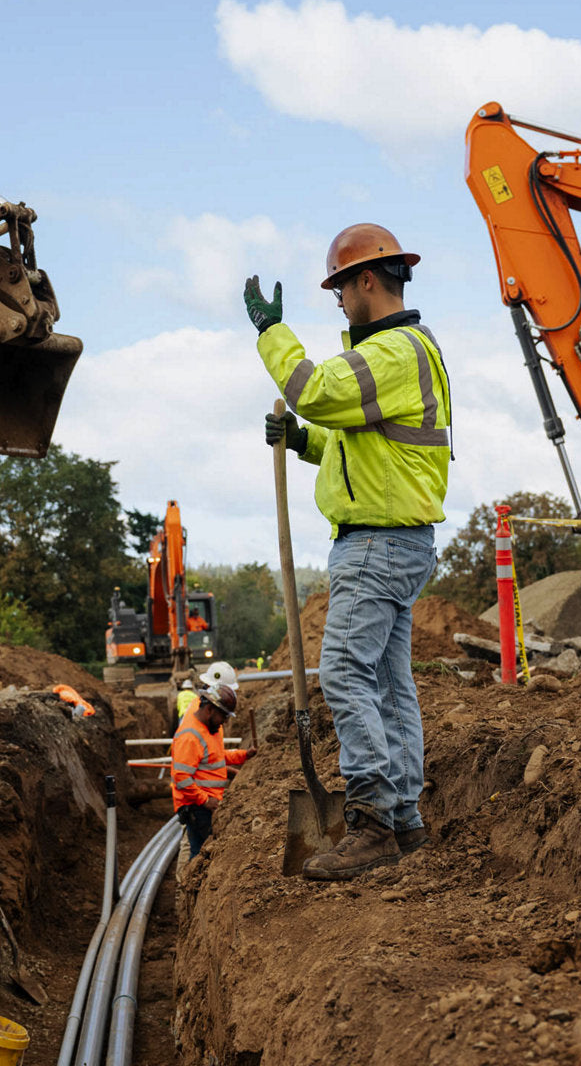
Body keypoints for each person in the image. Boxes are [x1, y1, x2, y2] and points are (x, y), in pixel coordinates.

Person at [244, 222, 451, 882]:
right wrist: (301, 442)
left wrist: (270, 335)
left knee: (344, 674)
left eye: (339, 287)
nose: (335, 300)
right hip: (396, 541)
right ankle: (405, 818)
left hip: (376, 544)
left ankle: (370, 821)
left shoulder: (392, 351)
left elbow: (315, 389)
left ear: (368, 281)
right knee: (390, 687)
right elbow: (352, 443)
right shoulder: (405, 352)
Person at [171, 684, 257, 857]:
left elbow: (216, 756)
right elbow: (181, 778)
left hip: (208, 803)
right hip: (197, 806)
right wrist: (204, 800)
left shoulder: (210, 730)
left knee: (204, 851)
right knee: (202, 854)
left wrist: (243, 755)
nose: (224, 721)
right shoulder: (190, 736)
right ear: (210, 709)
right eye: (223, 716)